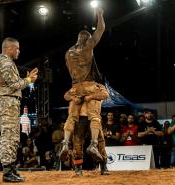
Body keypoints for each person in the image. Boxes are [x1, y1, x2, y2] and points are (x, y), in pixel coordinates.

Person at [60, 8, 109, 162]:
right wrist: (99, 15)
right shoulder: (87, 48)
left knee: (71, 120)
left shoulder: (68, 53)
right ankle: (94, 145)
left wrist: (73, 95)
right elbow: (101, 29)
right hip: (89, 85)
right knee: (95, 118)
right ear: (86, 39)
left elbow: (66, 94)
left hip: (75, 87)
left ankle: (64, 143)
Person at [0, 37, 38, 182]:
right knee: (8, 137)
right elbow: (14, 84)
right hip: (8, 102)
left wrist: (26, 80)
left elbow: (14, 83)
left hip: (10, 103)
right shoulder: (6, 62)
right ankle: (7, 173)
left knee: (13, 138)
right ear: (8, 48)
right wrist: (29, 80)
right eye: (17, 48)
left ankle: (11, 170)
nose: (19, 51)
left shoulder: (7, 62)